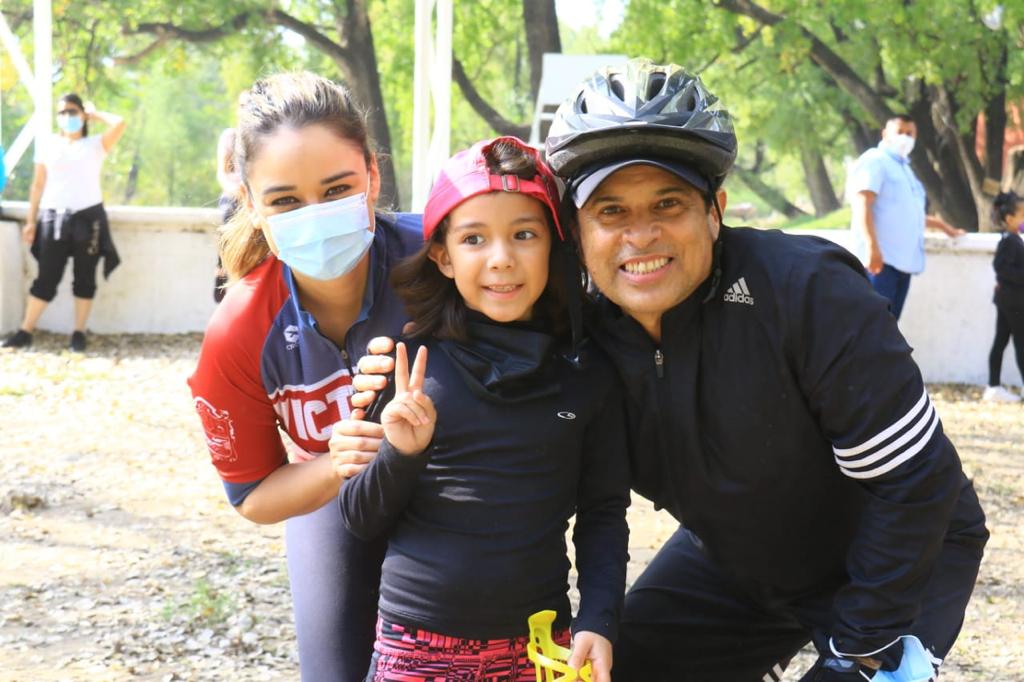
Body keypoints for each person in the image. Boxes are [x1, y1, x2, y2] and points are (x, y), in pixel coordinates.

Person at [351, 59, 989, 682]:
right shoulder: (581, 329)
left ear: (715, 211)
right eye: (610, 212)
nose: (641, 235)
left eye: (668, 204)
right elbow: (471, 299)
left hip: (899, 550)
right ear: (575, 231)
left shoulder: (807, 293)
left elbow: (916, 486)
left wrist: (859, 644)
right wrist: (382, 368)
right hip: (740, 557)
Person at [336, 136, 630, 682]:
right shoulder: (407, 366)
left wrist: (600, 617)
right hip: (415, 648)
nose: (502, 259)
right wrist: (401, 453)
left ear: (554, 245)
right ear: (443, 257)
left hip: (540, 644)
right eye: (474, 239)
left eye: (524, 234)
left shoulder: (587, 374)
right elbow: (359, 517)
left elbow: (603, 511)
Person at [186, 71, 423, 681]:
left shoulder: (444, 259)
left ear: (373, 177)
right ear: (251, 204)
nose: (315, 216)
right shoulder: (238, 331)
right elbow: (253, 495)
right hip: (335, 500)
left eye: (337, 189)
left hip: (461, 489)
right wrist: (336, 464)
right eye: (286, 200)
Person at [2, 94, 125, 351]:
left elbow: (120, 123)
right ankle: (25, 331)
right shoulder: (48, 144)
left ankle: (78, 333)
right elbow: (37, 185)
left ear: (82, 114)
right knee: (47, 277)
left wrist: (94, 114)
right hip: (52, 217)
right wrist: (31, 221)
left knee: (85, 277)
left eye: (72, 111)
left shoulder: (95, 144)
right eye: (62, 112)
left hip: (88, 218)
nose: (67, 116)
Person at [847, 114, 965, 320]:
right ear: (885, 134)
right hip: (879, 263)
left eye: (910, 133)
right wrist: (872, 248)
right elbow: (862, 203)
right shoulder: (876, 160)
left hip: (903, 264)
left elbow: (910, 214)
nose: (905, 137)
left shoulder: (905, 169)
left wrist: (947, 229)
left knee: (889, 327)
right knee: (873, 326)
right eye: (900, 132)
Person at [983, 191, 1024, 403]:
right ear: (1009, 219)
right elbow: (1001, 268)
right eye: (1022, 215)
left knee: (1001, 341)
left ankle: (993, 386)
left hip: (1009, 301)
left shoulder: (1014, 239)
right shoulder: (1009, 242)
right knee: (1020, 343)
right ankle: (994, 387)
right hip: (1013, 302)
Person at [213, 97, 246, 303]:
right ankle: (223, 268)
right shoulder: (230, 136)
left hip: (255, 198)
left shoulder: (266, 136)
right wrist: (237, 190)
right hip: (234, 197)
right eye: (242, 105)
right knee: (229, 213)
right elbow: (223, 173)